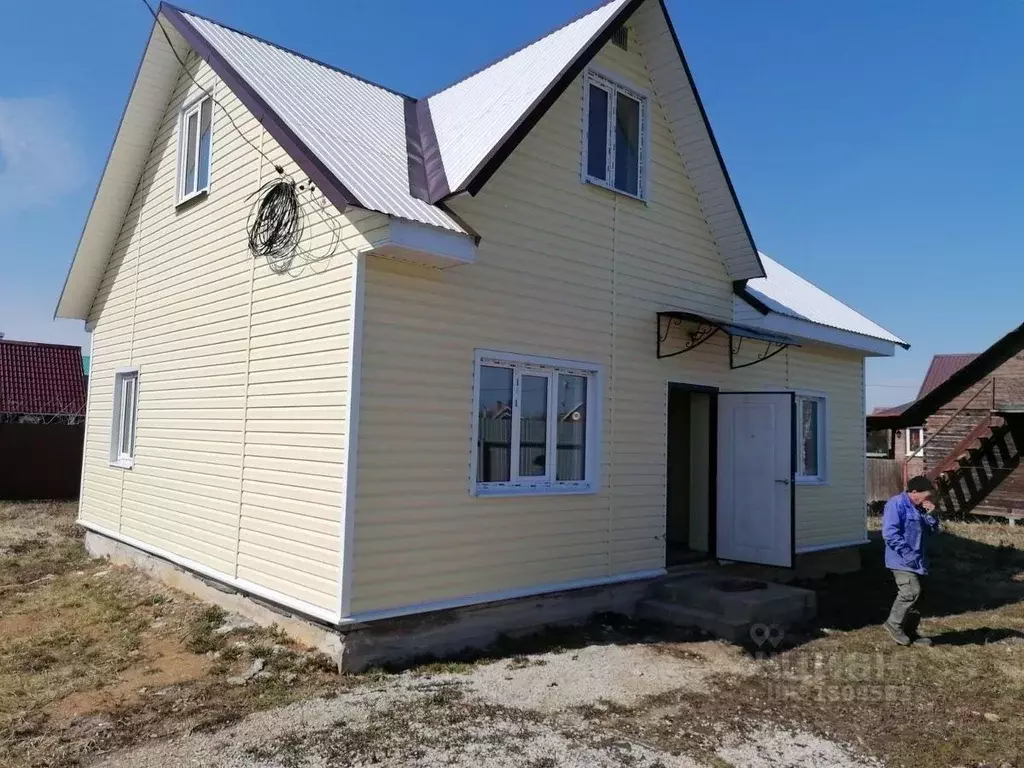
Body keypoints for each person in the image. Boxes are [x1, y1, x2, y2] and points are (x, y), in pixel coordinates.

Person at [882, 475, 940, 646]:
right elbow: (890, 534)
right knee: (910, 592)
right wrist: (908, 554)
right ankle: (893, 624)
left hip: (919, 560)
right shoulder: (896, 504)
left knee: (919, 597)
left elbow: (931, 531)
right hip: (901, 559)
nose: (928, 499)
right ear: (914, 492)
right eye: (926, 496)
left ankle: (910, 632)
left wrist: (932, 514)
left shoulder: (919, 507)